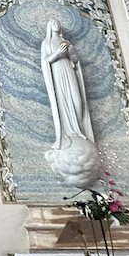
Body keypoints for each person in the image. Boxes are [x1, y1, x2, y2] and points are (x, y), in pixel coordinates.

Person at [41, 19, 101, 188]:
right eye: (52, 22)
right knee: (64, 102)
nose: (56, 24)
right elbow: (46, 61)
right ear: (49, 26)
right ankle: (68, 131)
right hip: (58, 73)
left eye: (58, 22)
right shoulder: (47, 42)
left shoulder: (65, 42)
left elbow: (75, 60)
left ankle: (78, 130)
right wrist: (58, 54)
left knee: (77, 101)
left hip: (69, 71)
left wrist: (72, 53)